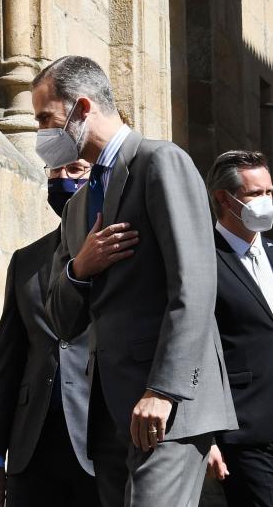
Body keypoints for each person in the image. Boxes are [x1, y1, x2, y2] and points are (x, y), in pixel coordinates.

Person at [35, 55, 237, 506]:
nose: (41, 134)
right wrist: (79, 269)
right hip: (108, 414)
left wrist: (164, 390)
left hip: (166, 408)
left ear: (81, 107)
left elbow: (195, 284)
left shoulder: (158, 161)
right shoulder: (76, 207)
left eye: (46, 118)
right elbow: (60, 319)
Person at [0, 160, 99, 507]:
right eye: (54, 170)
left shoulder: (127, 248)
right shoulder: (26, 260)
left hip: (102, 440)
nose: (62, 179)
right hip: (33, 446)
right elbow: (8, 362)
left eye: (75, 169)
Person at [203, 150, 273, 507]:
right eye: (255, 194)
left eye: (269, 193)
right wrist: (208, 437)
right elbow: (196, 347)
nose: (266, 202)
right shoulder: (203, 259)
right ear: (224, 199)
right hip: (244, 432)